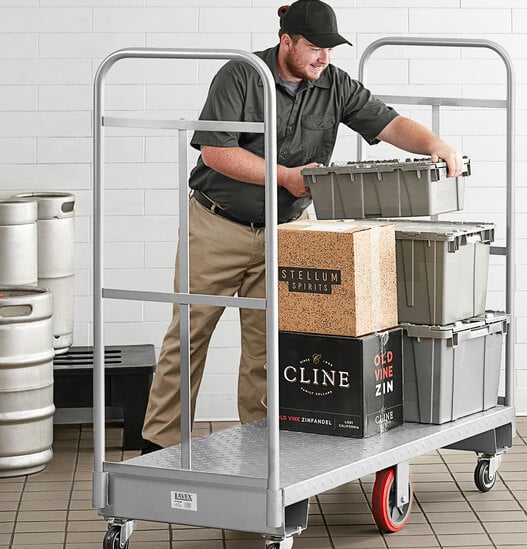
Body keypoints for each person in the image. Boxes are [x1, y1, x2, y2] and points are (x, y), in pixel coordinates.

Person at [140, 0, 463, 454]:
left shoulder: (334, 84)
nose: (323, 57)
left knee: (268, 347)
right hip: (217, 226)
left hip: (287, 231)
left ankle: (260, 449)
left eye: (330, 49)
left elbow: (387, 122)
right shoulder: (242, 75)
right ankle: (159, 448)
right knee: (188, 337)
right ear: (286, 41)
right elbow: (216, 152)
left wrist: (435, 144)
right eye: (314, 47)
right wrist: (288, 176)